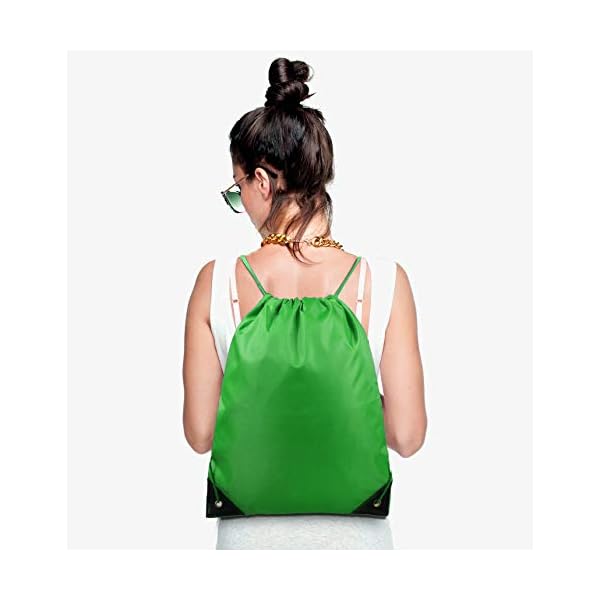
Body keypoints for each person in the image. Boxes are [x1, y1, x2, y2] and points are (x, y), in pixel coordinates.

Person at [183, 57, 427, 550]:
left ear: (262, 180)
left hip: (247, 541)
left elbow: (201, 433)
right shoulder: (384, 281)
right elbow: (407, 436)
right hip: (359, 542)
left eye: (238, 190)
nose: (241, 205)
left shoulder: (216, 281)